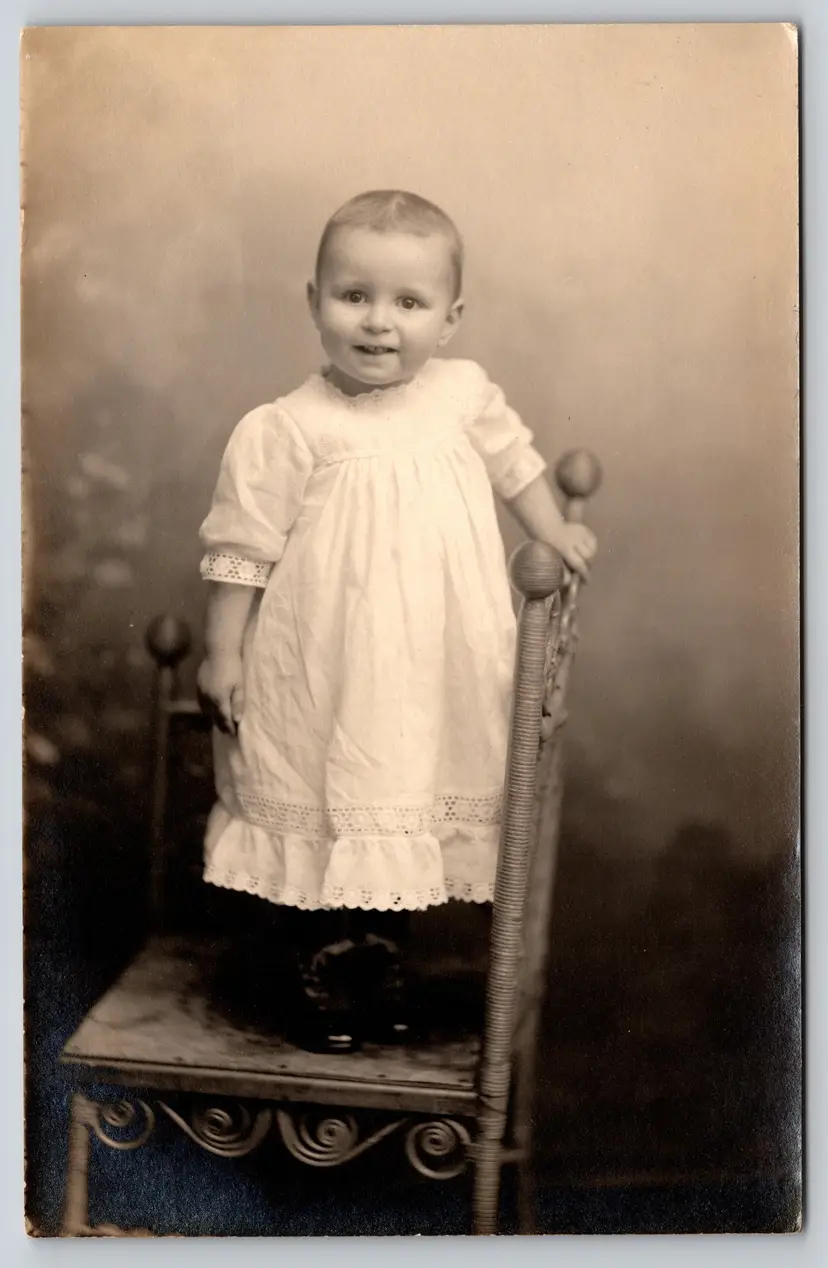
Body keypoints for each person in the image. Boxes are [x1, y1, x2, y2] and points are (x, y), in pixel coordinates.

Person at [197, 190, 597, 1053]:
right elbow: (242, 549)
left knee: (407, 792)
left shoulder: (461, 395)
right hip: (334, 661)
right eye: (354, 296)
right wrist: (223, 648)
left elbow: (515, 464)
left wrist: (552, 529)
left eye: (408, 304)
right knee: (336, 793)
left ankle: (380, 970)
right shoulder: (288, 427)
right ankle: (321, 978)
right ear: (314, 302)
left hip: (435, 656)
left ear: (450, 319)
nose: (379, 323)